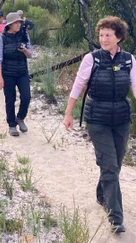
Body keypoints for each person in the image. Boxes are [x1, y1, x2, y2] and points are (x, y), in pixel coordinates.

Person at [63, 16, 136, 234]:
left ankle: (102, 193)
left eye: (108, 35)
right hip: (97, 118)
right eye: (101, 35)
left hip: (121, 119)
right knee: (110, 166)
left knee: (114, 164)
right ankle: (115, 217)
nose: (103, 39)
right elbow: (78, 85)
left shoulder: (129, 60)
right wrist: (68, 113)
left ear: (119, 37)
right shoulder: (91, 59)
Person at [0, 12, 32, 136]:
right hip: (8, 73)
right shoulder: (3, 38)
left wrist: (24, 50)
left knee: (26, 97)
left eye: (19, 22)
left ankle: (20, 117)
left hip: (22, 72)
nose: (18, 24)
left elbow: (30, 54)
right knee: (10, 99)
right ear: (10, 25)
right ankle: (12, 125)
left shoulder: (24, 35)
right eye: (16, 22)